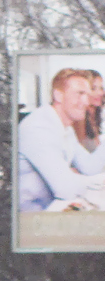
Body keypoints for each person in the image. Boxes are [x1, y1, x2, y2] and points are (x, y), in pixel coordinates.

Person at [18, 68, 105, 211]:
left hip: (52, 210)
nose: (85, 101)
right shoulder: (38, 128)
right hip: (30, 222)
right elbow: (66, 189)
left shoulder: (65, 126)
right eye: (79, 94)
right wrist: (79, 179)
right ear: (58, 95)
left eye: (87, 95)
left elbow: (89, 168)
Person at [75, 69, 105, 152]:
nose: (100, 93)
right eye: (93, 88)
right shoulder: (80, 118)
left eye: (101, 88)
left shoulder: (95, 114)